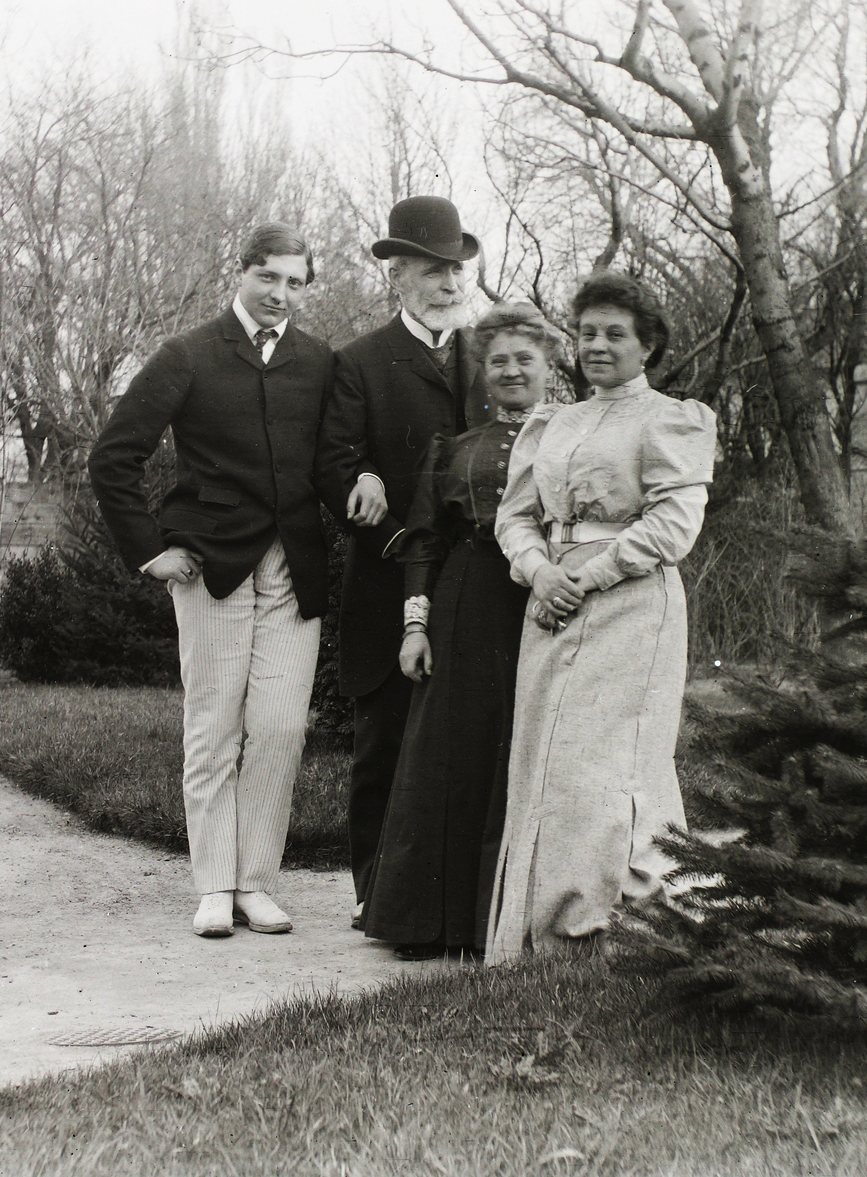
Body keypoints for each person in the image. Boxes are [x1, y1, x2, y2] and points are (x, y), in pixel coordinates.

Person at [88, 223, 332, 939]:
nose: (280, 294)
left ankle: (257, 882)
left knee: (282, 727)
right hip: (211, 567)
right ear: (243, 272)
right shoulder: (187, 355)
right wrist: (150, 552)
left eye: (294, 282)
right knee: (214, 723)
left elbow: (335, 456)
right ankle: (214, 885)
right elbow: (113, 457)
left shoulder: (317, 362)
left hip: (294, 569)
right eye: (269, 278)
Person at [487, 271, 716, 964]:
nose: (598, 344)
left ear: (647, 345)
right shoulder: (553, 422)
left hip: (630, 609)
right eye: (587, 332)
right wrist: (541, 571)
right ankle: (541, 934)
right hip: (552, 606)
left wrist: (583, 576)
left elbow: (673, 527)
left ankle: (624, 931)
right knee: (546, 767)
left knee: (609, 771)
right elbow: (515, 518)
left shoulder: (671, 418)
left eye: (616, 333)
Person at [363, 302, 569, 961]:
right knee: (454, 749)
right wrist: (414, 628)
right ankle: (437, 921)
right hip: (467, 603)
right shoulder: (455, 449)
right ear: (483, 373)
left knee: (532, 746)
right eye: (498, 361)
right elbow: (423, 542)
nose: (511, 371)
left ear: (549, 365)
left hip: (547, 602)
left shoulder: (574, 438)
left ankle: (523, 920)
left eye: (524, 359)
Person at [317, 196, 492, 928]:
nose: (449, 286)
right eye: (432, 272)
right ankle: (375, 893)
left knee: (472, 738)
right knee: (385, 744)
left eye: (457, 271)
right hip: (390, 579)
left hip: (482, 580)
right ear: (398, 277)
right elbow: (334, 460)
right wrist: (365, 487)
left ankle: (459, 897)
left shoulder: (491, 357)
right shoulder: (358, 361)